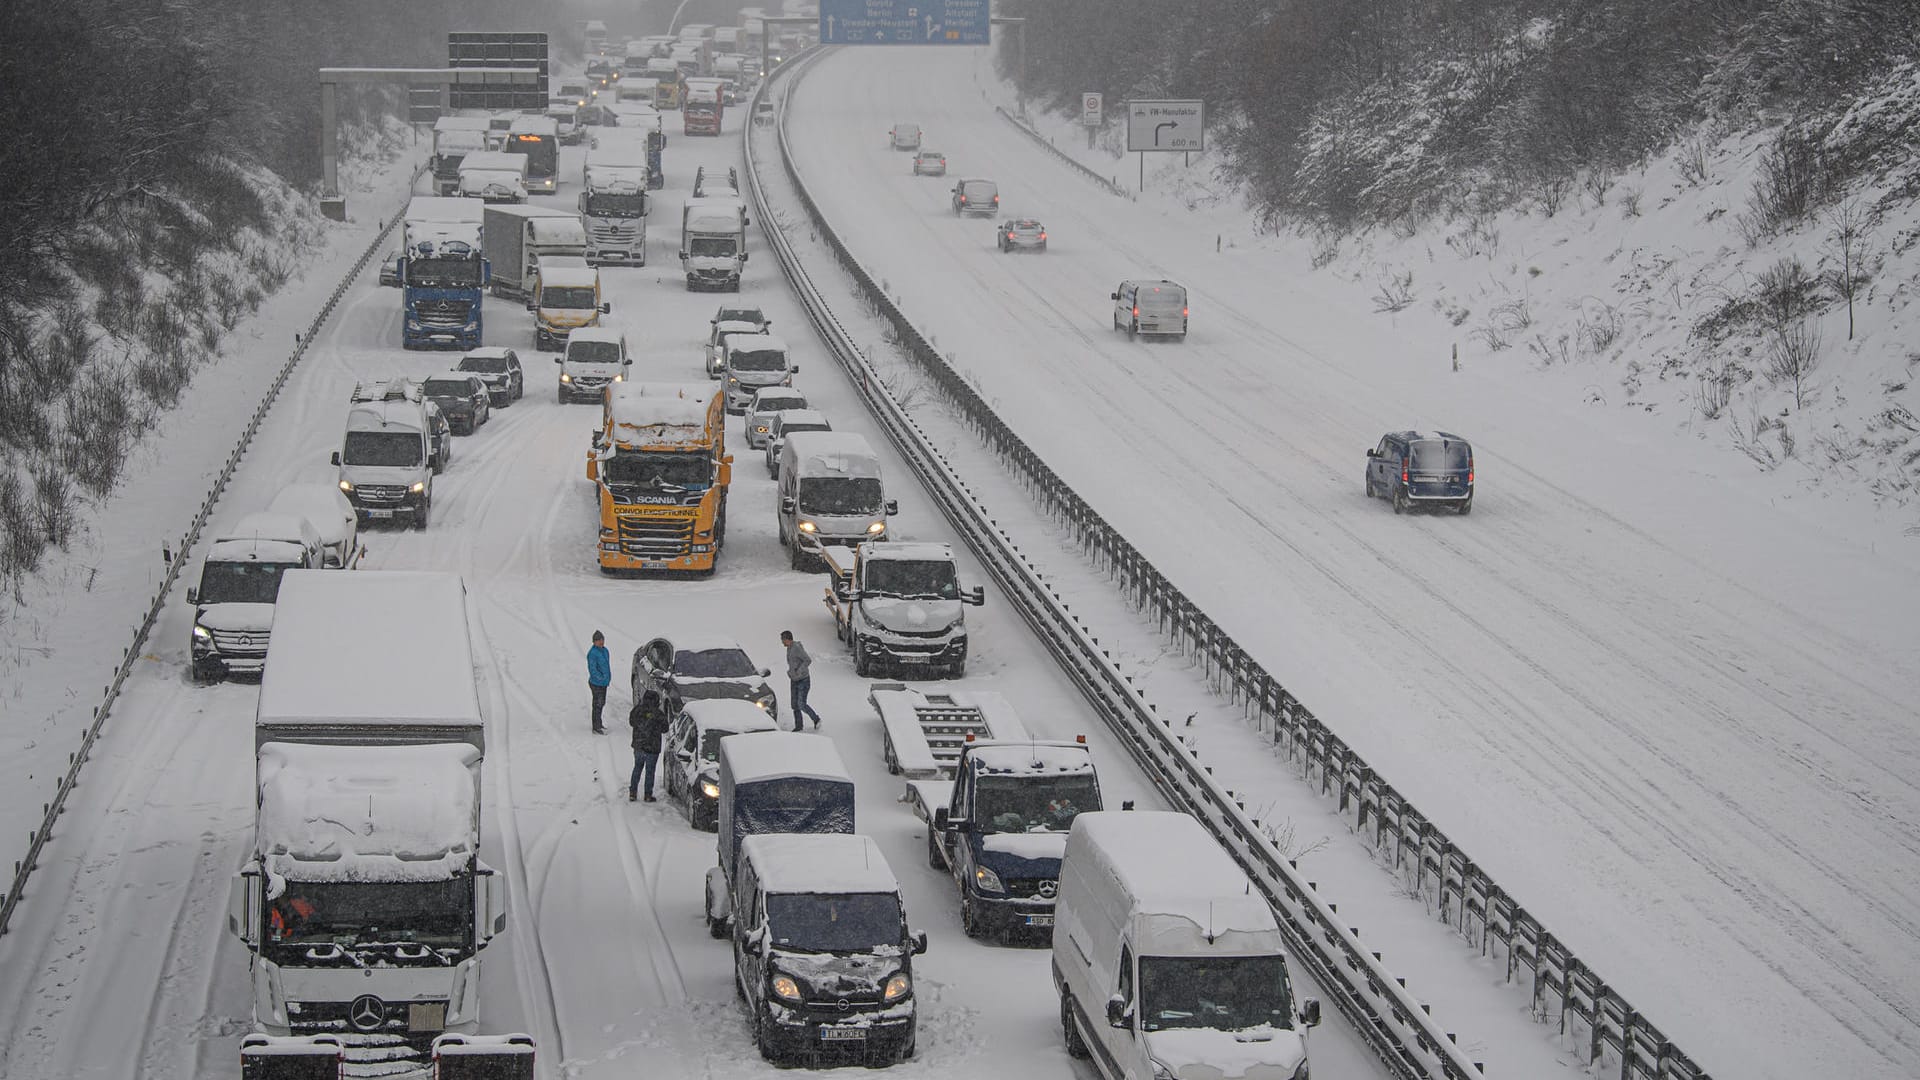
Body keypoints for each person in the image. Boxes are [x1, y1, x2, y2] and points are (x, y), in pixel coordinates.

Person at [628, 688, 669, 802]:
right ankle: (647, 794)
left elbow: (631, 722)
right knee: (650, 771)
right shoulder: (658, 714)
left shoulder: (637, 710)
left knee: (637, 768)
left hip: (639, 745)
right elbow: (665, 729)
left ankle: (633, 792)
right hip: (653, 747)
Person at [781, 629, 822, 731]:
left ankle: (816, 719)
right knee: (794, 704)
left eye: (783, 640)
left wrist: (798, 671)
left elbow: (807, 660)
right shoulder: (789, 648)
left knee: (801, 704)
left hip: (803, 680)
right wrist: (791, 673)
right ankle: (798, 726)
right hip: (794, 680)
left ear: (787, 639)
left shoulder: (796, 648)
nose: (782, 642)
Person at [586, 631, 611, 734]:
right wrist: (602, 678)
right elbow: (593, 670)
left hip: (603, 683)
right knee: (597, 704)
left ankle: (599, 723)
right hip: (596, 683)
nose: (601, 642)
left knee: (601, 703)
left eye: (602, 639)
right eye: (598, 640)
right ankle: (596, 727)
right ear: (594, 642)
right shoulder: (592, 653)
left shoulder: (605, 651)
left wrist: (606, 679)